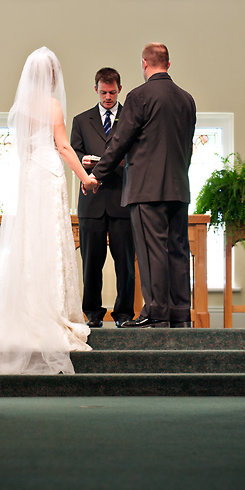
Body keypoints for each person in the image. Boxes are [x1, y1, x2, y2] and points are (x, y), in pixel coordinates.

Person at [0, 47, 98, 375]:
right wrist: (86, 178)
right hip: (50, 173)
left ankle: (26, 308)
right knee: (51, 241)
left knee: (29, 241)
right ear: (52, 76)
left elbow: (24, 149)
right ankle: (53, 310)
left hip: (30, 175)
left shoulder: (22, 106)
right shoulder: (52, 105)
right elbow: (64, 147)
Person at [91, 43, 196, 328]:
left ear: (144, 64)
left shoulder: (140, 96)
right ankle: (180, 315)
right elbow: (187, 147)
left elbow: (119, 142)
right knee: (177, 250)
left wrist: (96, 176)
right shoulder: (187, 99)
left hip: (146, 189)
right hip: (178, 187)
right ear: (169, 64)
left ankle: (156, 312)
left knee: (152, 252)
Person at [70, 68, 135, 328]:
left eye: (112, 92)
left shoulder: (131, 118)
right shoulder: (81, 120)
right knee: (91, 262)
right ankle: (93, 314)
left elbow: (137, 153)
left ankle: (124, 314)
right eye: (103, 92)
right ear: (95, 89)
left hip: (122, 198)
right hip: (92, 201)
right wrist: (82, 160)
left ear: (119, 89)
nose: (108, 97)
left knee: (125, 264)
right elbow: (73, 153)